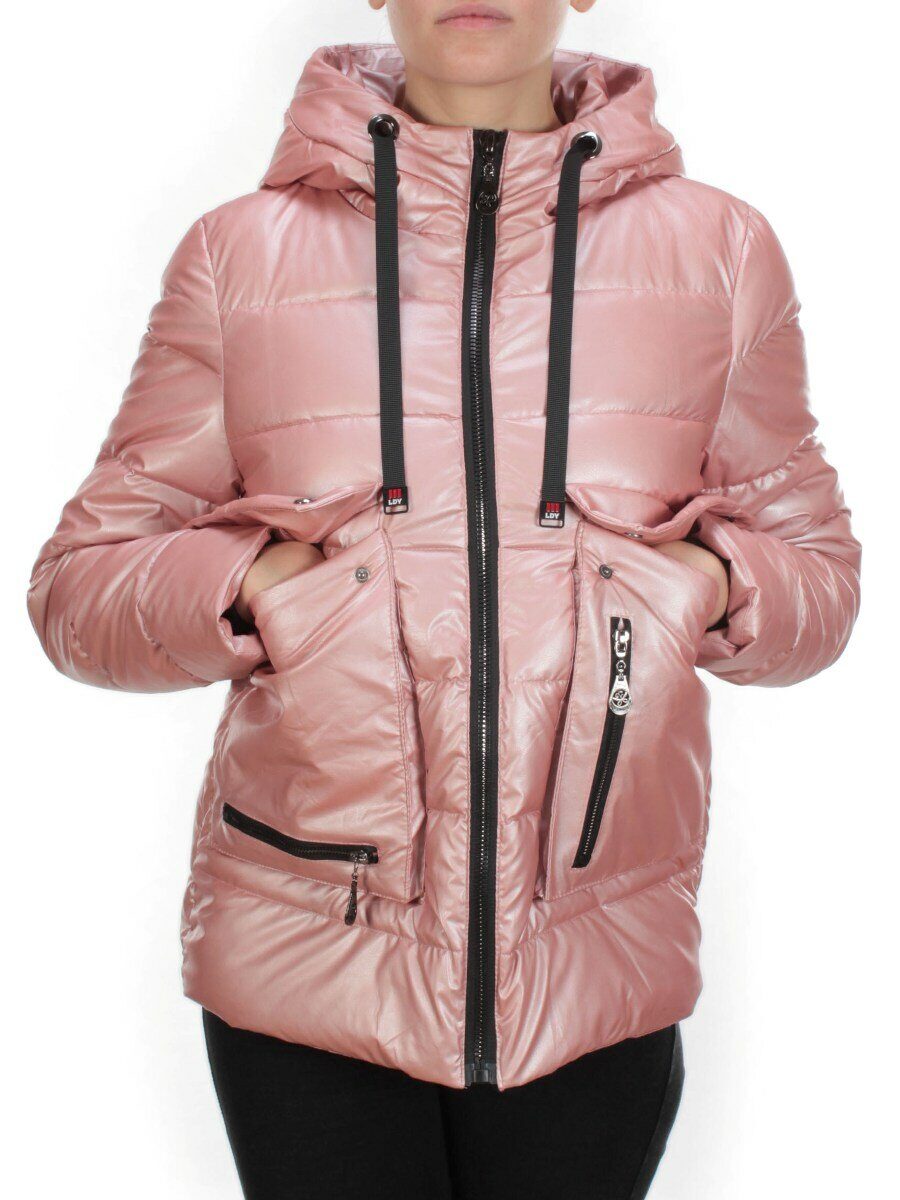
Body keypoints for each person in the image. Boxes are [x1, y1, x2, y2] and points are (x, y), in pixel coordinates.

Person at [27, 2, 861, 1197]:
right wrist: (250, 586)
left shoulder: (719, 253)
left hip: (594, 949)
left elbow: (818, 573)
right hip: (310, 948)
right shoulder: (240, 256)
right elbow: (80, 587)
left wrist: (710, 583)